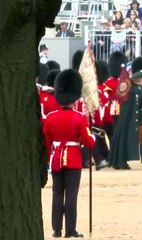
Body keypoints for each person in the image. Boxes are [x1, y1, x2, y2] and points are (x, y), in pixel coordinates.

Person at [43, 69, 95, 238]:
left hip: (56, 159)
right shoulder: (79, 117)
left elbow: (47, 143)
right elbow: (89, 142)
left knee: (57, 194)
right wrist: (92, 136)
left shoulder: (51, 117)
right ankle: (70, 230)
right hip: (73, 160)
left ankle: (56, 229)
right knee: (71, 195)